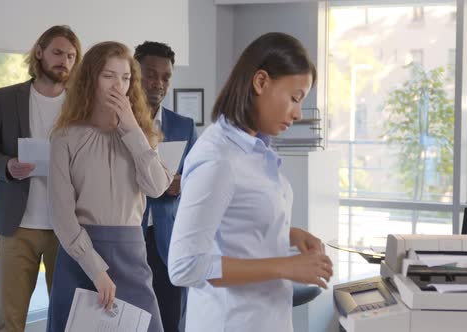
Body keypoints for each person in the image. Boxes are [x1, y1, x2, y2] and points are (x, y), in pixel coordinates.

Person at [168, 32, 333, 332]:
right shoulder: (218, 159)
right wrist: (287, 266)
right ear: (260, 82)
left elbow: (234, 222)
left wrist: (288, 234)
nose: (297, 113)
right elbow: (185, 266)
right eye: (294, 98)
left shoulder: (254, 147)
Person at [46, 41, 171, 332]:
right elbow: (62, 217)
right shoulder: (65, 138)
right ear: (91, 78)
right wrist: (96, 270)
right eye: (108, 76)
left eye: (125, 78)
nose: (118, 85)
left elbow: (156, 188)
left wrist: (131, 128)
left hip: (131, 255)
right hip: (81, 256)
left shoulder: (141, 135)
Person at [0, 25, 81, 332]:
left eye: (71, 56)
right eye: (58, 52)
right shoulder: (4, 99)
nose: (64, 60)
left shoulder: (82, 106)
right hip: (15, 227)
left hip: (67, 228)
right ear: (40, 53)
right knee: (9, 320)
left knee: (67, 318)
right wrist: (7, 165)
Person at [135, 41, 197, 332]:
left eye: (165, 76)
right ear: (135, 73)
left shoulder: (183, 125)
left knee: (170, 321)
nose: (158, 82)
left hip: (167, 240)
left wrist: (183, 184)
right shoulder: (115, 122)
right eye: (150, 74)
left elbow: (197, 178)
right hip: (125, 237)